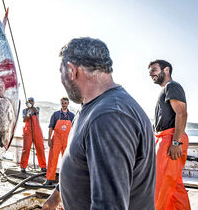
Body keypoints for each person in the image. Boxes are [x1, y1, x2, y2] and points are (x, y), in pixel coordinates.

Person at [43, 37, 155, 210]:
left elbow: (109, 206)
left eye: (61, 72)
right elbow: (83, 162)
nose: (62, 80)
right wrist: (58, 194)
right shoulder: (90, 108)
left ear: (72, 71)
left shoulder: (109, 116)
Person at [148, 60, 191, 210]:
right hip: (165, 138)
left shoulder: (172, 86)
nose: (151, 73)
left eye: (154, 69)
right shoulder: (167, 88)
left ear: (166, 70)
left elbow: (182, 113)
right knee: (173, 186)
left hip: (170, 138)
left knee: (159, 186)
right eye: (149, 71)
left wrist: (176, 142)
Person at [44, 97, 74, 186]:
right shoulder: (55, 115)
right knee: (52, 159)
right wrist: (49, 139)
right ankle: (49, 179)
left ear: (68, 103)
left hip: (67, 141)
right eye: (62, 103)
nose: (63, 104)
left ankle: (67, 180)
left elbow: (74, 129)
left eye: (65, 103)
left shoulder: (72, 116)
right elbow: (50, 128)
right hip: (56, 140)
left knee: (67, 161)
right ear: (60, 103)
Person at [19, 97, 47, 173]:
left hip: (37, 131)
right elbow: (24, 120)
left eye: (32, 101)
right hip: (28, 131)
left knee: (40, 148)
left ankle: (43, 166)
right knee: (26, 148)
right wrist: (27, 115)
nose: (30, 102)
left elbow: (36, 111)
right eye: (29, 101)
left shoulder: (37, 108)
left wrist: (31, 107)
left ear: (34, 102)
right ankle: (23, 167)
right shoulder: (24, 110)